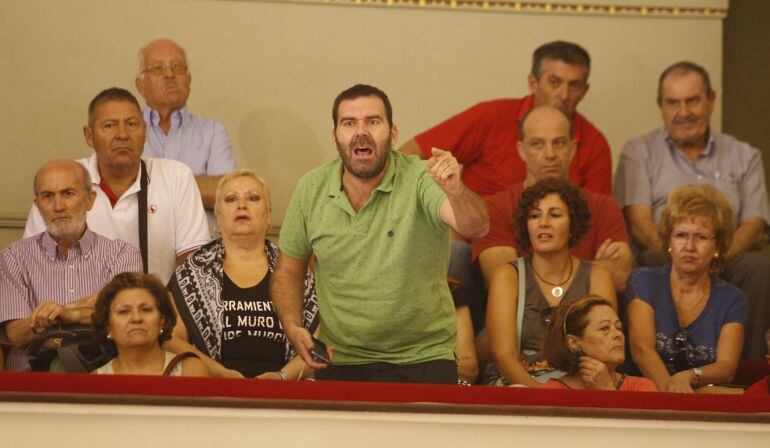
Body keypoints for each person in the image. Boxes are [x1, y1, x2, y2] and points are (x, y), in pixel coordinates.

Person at [272, 84, 489, 384]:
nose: (361, 132)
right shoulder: (310, 189)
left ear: (393, 133)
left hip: (424, 358)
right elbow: (287, 272)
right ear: (335, 138)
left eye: (373, 121)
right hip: (342, 359)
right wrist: (292, 325)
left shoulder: (421, 177)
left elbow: (476, 226)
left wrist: (456, 190)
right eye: (349, 123)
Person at [615, 61, 770, 360]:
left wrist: (713, 255)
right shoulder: (639, 151)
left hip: (726, 256)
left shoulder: (744, 155)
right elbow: (640, 223)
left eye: (693, 100)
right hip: (668, 254)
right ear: (661, 105)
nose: (683, 112)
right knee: (651, 260)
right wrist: (684, 254)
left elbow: (753, 224)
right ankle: (661, 365)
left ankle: (745, 374)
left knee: (760, 269)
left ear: (711, 100)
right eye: (673, 102)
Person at [23, 88, 211, 285]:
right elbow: (32, 262)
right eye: (110, 126)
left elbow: (193, 263)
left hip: (155, 310)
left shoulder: (176, 177)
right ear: (89, 135)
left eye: (131, 124)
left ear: (145, 132)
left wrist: (165, 308)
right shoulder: (62, 182)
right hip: (75, 311)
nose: (122, 134)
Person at [400, 41, 611, 197]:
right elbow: (410, 155)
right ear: (533, 83)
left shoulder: (595, 143)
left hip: (551, 248)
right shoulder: (492, 116)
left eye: (574, 85)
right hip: (474, 239)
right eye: (554, 82)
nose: (564, 95)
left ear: (584, 91)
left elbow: (596, 216)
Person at [167, 170, 319, 379]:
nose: (242, 205)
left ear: (269, 215)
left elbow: (320, 344)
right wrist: (218, 373)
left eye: (253, 198)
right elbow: (171, 339)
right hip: (211, 390)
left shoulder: (294, 271)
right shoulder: (191, 273)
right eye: (231, 199)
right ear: (218, 218)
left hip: (286, 393)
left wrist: (282, 377)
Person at [472, 106, 631, 294]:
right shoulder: (495, 208)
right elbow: (505, 284)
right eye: (538, 144)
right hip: (521, 320)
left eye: (559, 143)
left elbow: (620, 276)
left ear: (572, 149)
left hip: (591, 319)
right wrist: (593, 270)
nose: (550, 154)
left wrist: (535, 273)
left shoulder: (603, 206)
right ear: (521, 150)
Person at [0, 159, 142, 371]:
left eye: (68, 194)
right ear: (37, 204)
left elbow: (126, 320)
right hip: (29, 383)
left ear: (90, 200)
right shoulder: (13, 257)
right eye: (47, 196)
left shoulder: (122, 255)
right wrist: (92, 309)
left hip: (101, 377)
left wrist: (62, 312)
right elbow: (16, 335)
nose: (58, 206)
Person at [485, 178, 616, 387]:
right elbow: (503, 356)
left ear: (573, 225)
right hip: (519, 386)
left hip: (579, 386)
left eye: (555, 215)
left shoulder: (597, 277)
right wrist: (543, 399)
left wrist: (568, 394)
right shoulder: (508, 275)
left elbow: (604, 350)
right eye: (534, 215)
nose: (543, 223)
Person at [626, 184, 746, 393]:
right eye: (681, 235)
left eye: (701, 237)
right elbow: (641, 350)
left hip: (700, 402)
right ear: (669, 240)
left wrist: (689, 377)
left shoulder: (733, 299)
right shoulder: (643, 280)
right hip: (648, 397)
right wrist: (674, 396)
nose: (689, 246)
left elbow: (726, 368)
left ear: (717, 247)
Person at [136, 38, 236, 231]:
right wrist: (195, 184)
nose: (170, 75)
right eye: (158, 68)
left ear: (189, 80)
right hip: (138, 250)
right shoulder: (123, 133)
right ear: (140, 84)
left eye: (177, 67)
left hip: (201, 253)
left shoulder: (213, 132)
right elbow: (118, 188)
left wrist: (148, 183)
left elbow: (226, 194)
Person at [92, 272, 208, 376]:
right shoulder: (94, 383)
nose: (136, 318)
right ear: (108, 326)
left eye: (146, 310)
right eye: (124, 312)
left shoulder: (191, 370)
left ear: (162, 320)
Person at [540, 295, 657, 391]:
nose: (618, 335)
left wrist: (607, 389)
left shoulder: (641, 388)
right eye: (605, 328)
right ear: (573, 343)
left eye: (619, 327)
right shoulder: (551, 392)